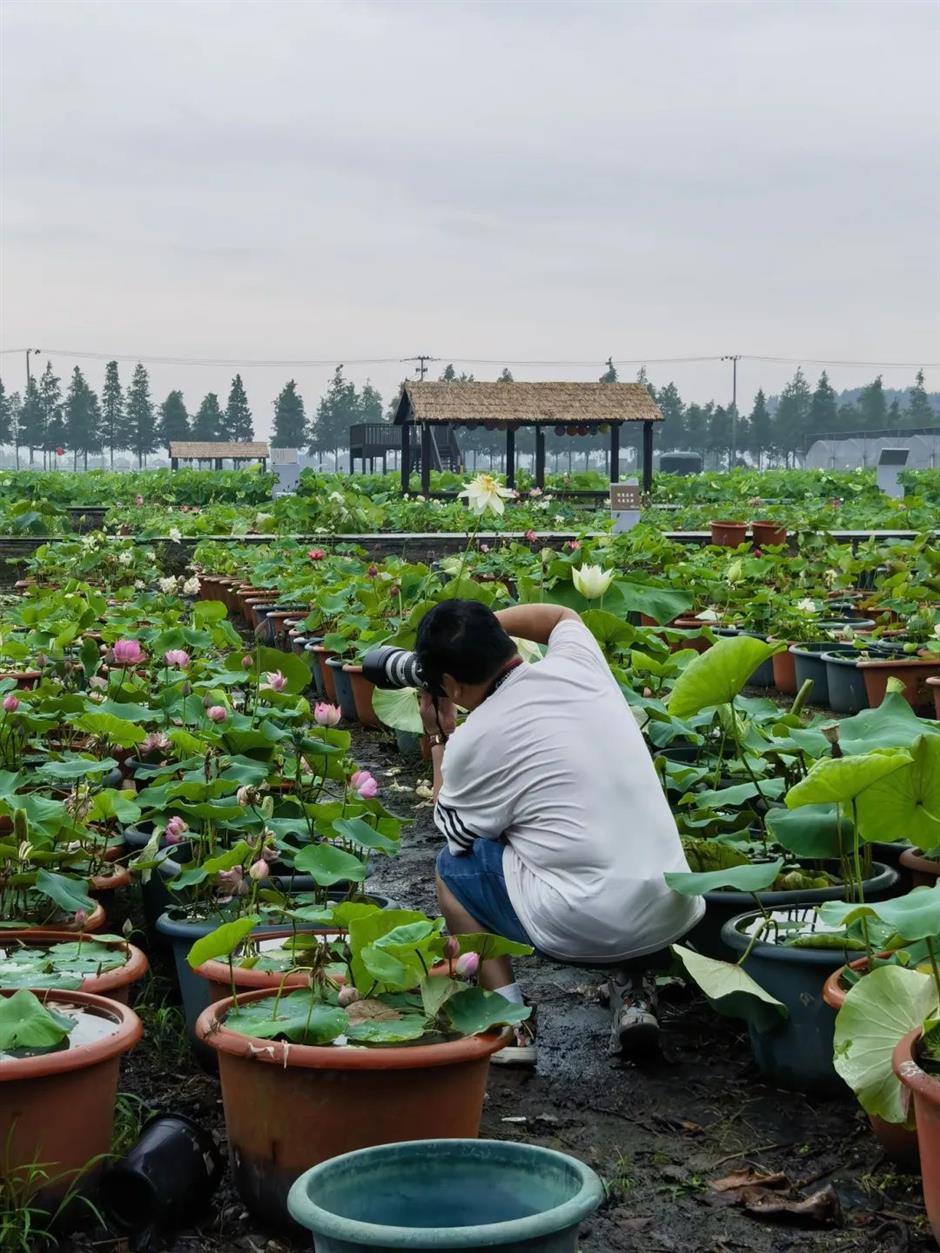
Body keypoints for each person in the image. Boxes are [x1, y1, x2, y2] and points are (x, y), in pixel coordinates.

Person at [416, 598, 704, 1067]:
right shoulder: (579, 660)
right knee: (604, 838)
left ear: (448, 685)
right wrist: (482, 627)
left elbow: (455, 835)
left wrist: (439, 738)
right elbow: (559, 617)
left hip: (587, 926)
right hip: (673, 906)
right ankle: (634, 997)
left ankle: (509, 1024)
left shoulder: (475, 737)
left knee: (453, 871)